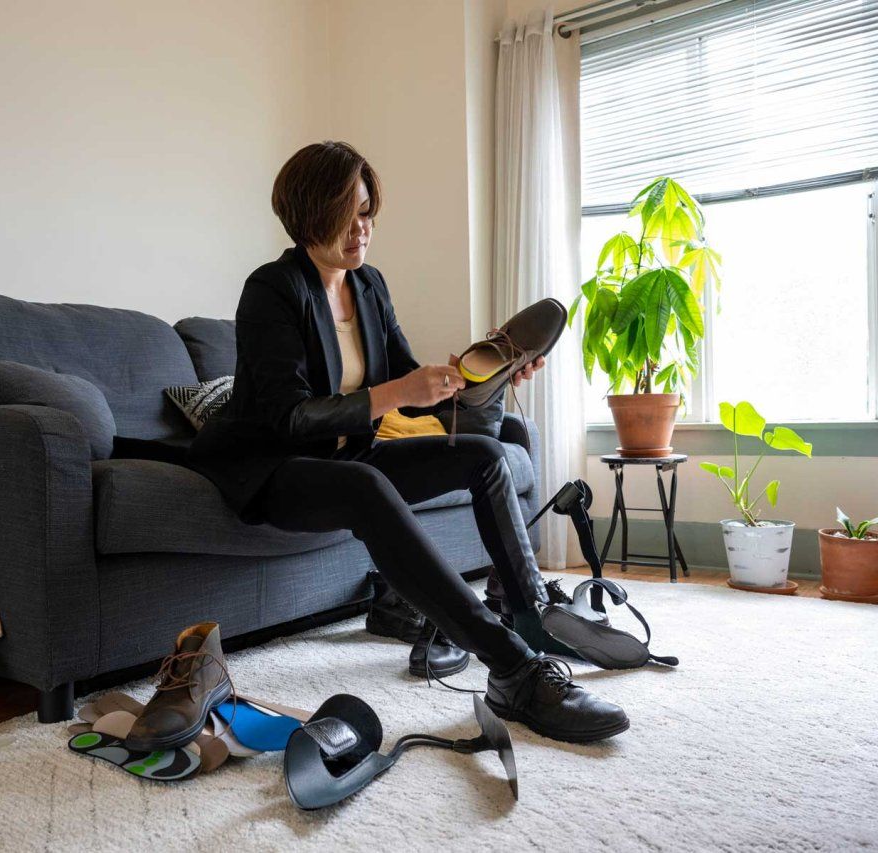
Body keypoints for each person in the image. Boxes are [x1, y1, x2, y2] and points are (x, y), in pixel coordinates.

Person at [190, 141, 628, 742]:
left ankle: (531, 621)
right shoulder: (271, 290)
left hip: (346, 456)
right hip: (271, 467)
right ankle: (514, 671)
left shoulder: (369, 286)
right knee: (365, 482)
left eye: (367, 210)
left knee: (485, 454)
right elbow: (288, 418)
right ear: (304, 215)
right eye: (344, 214)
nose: (360, 228)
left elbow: (420, 386)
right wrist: (397, 392)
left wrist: (486, 377)